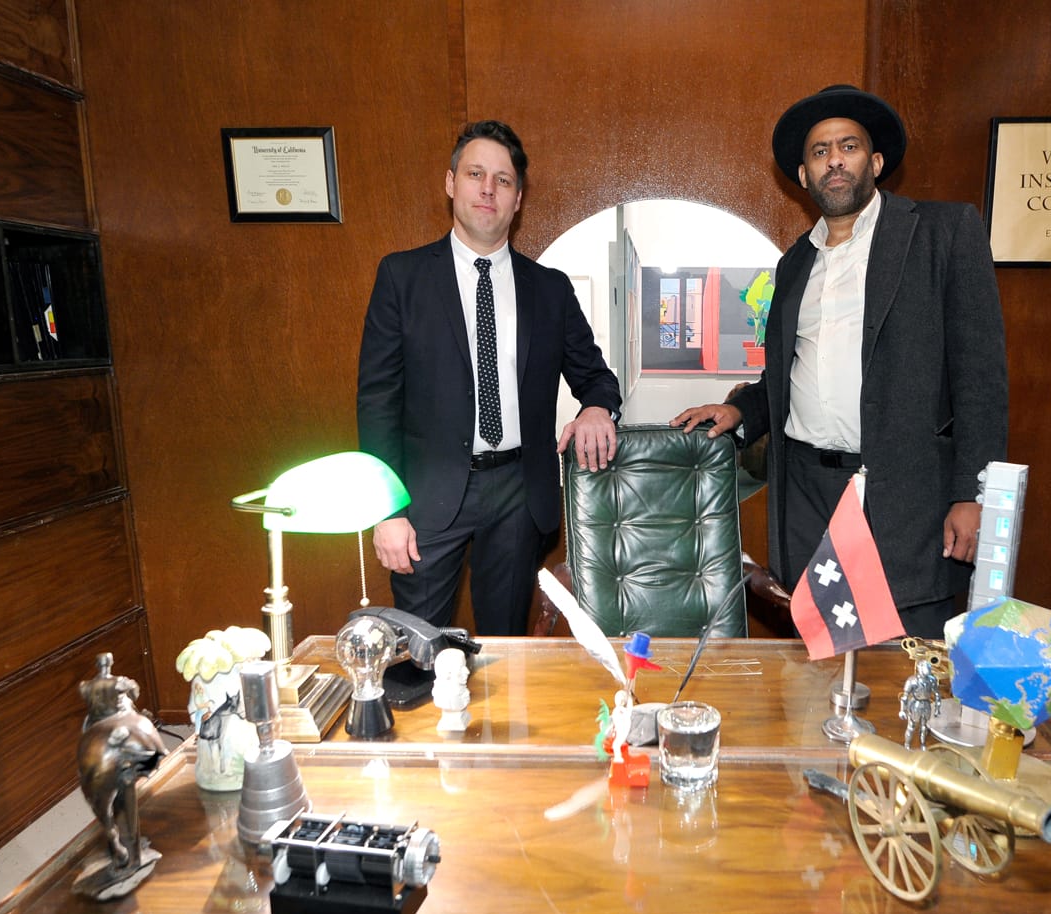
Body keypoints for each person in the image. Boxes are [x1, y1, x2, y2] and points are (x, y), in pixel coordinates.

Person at [671, 85, 1008, 637]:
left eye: (847, 146)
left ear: (874, 162)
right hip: (808, 492)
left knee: (906, 658)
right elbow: (791, 374)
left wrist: (973, 494)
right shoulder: (794, 265)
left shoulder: (942, 235)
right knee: (821, 654)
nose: (834, 160)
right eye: (819, 151)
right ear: (803, 175)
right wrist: (744, 411)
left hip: (905, 494)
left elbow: (982, 380)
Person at [358, 120, 621, 635]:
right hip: (425, 498)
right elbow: (377, 401)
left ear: (517, 199)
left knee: (507, 653)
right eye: (476, 173)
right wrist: (385, 510)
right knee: (417, 650)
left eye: (502, 180)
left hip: (518, 497)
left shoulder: (549, 289)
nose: (487, 188)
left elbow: (597, 378)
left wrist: (595, 408)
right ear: (451, 183)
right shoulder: (402, 278)